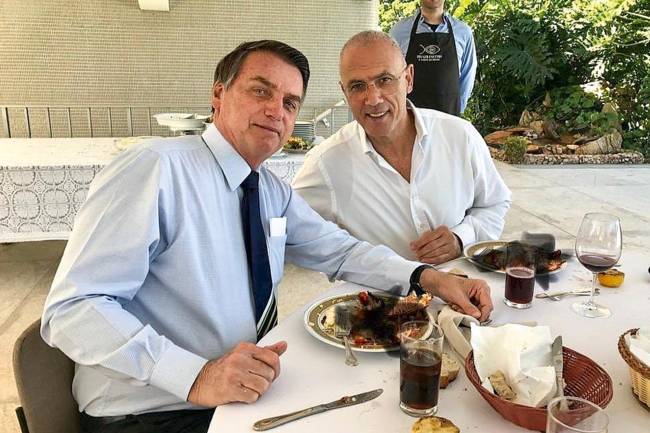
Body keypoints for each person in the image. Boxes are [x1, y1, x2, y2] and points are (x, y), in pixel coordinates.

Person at [40, 40, 493, 433]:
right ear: (219, 96)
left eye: (291, 102)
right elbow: (73, 309)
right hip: (156, 411)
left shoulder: (269, 191)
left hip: (241, 391)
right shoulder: (158, 169)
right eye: (261, 91)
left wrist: (429, 279)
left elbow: (340, 250)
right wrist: (196, 376)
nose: (276, 110)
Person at [293, 31, 510, 266]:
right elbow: (288, 227)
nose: (373, 99)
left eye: (385, 80)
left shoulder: (460, 136)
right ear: (344, 92)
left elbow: (494, 203)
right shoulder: (327, 163)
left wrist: (462, 237)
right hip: (382, 300)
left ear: (408, 79)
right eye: (357, 86)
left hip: (464, 290)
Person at [389, 0, 477, 115]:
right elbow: (391, 75)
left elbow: (467, 75)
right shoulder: (398, 32)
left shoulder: (463, 32)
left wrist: (458, 110)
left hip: (449, 119)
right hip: (410, 119)